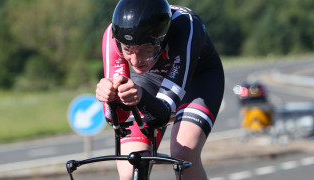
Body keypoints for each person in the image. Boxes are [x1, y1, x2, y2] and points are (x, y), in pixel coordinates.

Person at [95, 0, 224, 179]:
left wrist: (140, 97)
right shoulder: (113, 35)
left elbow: (164, 113)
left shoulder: (185, 26)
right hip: (149, 79)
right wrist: (110, 98)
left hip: (198, 79)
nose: (134, 60)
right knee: (130, 167)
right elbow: (115, 119)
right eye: (127, 50)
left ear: (162, 40)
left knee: (183, 154)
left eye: (146, 50)